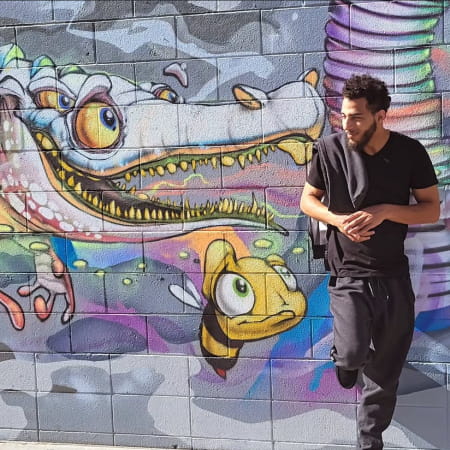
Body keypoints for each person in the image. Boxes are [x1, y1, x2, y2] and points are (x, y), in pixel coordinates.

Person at [300, 74, 440, 449]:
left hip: (393, 276)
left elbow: (430, 209)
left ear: (380, 116)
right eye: (344, 115)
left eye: (357, 117)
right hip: (349, 274)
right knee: (352, 353)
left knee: (386, 370)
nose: (347, 124)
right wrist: (336, 219)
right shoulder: (328, 150)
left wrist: (386, 211)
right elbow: (308, 200)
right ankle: (346, 361)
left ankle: (369, 440)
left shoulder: (410, 153)